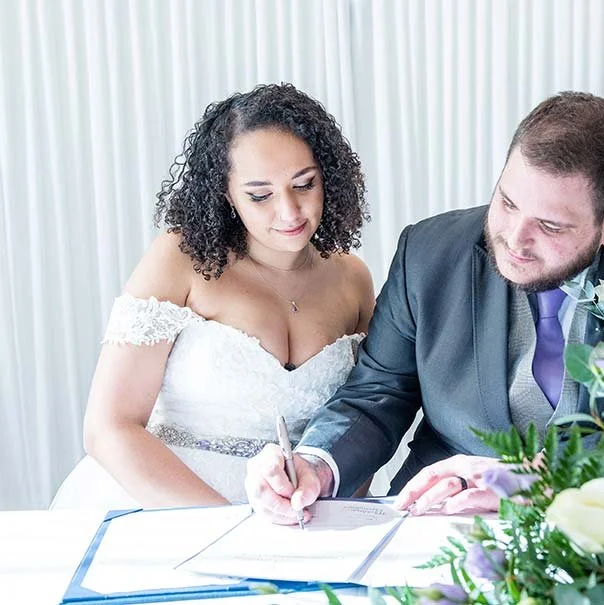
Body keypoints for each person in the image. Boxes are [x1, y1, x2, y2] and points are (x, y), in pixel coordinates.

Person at [245, 91, 604, 524]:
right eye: (506, 202)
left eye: (550, 226)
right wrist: (316, 463)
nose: (515, 240)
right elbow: (377, 395)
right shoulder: (428, 251)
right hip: (436, 524)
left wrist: (534, 483)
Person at [51, 83, 374, 508]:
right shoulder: (181, 259)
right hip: (162, 503)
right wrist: (225, 528)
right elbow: (109, 427)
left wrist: (333, 512)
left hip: (295, 518)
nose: (290, 212)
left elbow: (365, 421)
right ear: (227, 195)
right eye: (260, 195)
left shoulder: (353, 279)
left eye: (304, 184)